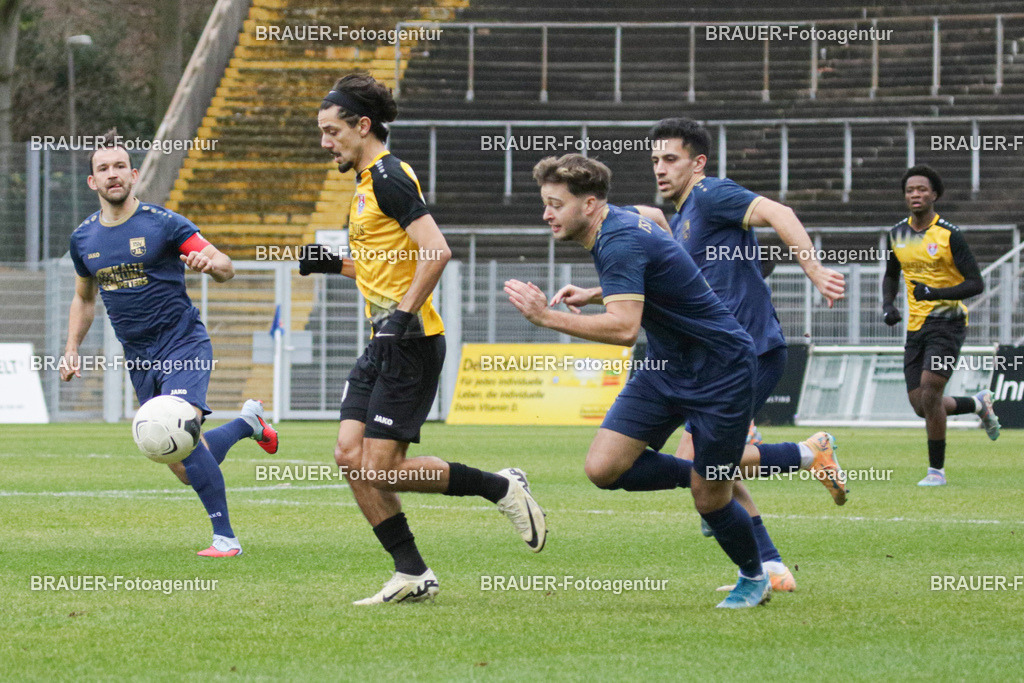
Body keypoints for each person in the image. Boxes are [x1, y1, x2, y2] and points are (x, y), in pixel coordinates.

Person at [300, 73, 546, 605]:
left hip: (408, 342)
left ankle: (500, 486)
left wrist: (399, 318)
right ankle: (411, 572)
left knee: (380, 467)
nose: (325, 143)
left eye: (331, 131)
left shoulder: (388, 176)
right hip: (383, 341)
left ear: (362, 126)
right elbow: (385, 265)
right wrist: (334, 265)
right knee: (350, 456)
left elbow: (436, 250)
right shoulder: (365, 184)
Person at [507, 153, 770, 608]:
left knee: (709, 500)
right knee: (604, 468)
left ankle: (754, 575)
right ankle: (711, 477)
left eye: (555, 203)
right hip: (667, 366)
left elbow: (624, 329)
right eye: (545, 202)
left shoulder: (619, 241)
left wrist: (545, 317)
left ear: (589, 205)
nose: (545, 214)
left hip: (721, 370)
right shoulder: (624, 217)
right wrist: (595, 292)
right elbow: (654, 218)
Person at [61, 129, 278, 558]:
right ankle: (248, 423)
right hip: (139, 358)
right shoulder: (83, 239)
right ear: (93, 182)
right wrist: (71, 348)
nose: (112, 174)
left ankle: (226, 540)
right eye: (103, 169)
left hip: (183, 346)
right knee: (179, 461)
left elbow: (226, 265)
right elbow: (84, 299)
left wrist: (208, 264)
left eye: (120, 166)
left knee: (183, 435)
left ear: (134, 173)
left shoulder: (163, 223)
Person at [882, 164, 1000, 486]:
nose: (915, 194)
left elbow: (976, 284)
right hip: (915, 327)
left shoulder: (949, 234)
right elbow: (891, 275)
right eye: (910, 190)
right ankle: (978, 403)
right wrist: (888, 304)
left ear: (934, 195)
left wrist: (936, 292)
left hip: (948, 324)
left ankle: (936, 471)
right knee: (922, 405)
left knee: (931, 389)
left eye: (922, 189)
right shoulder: (897, 235)